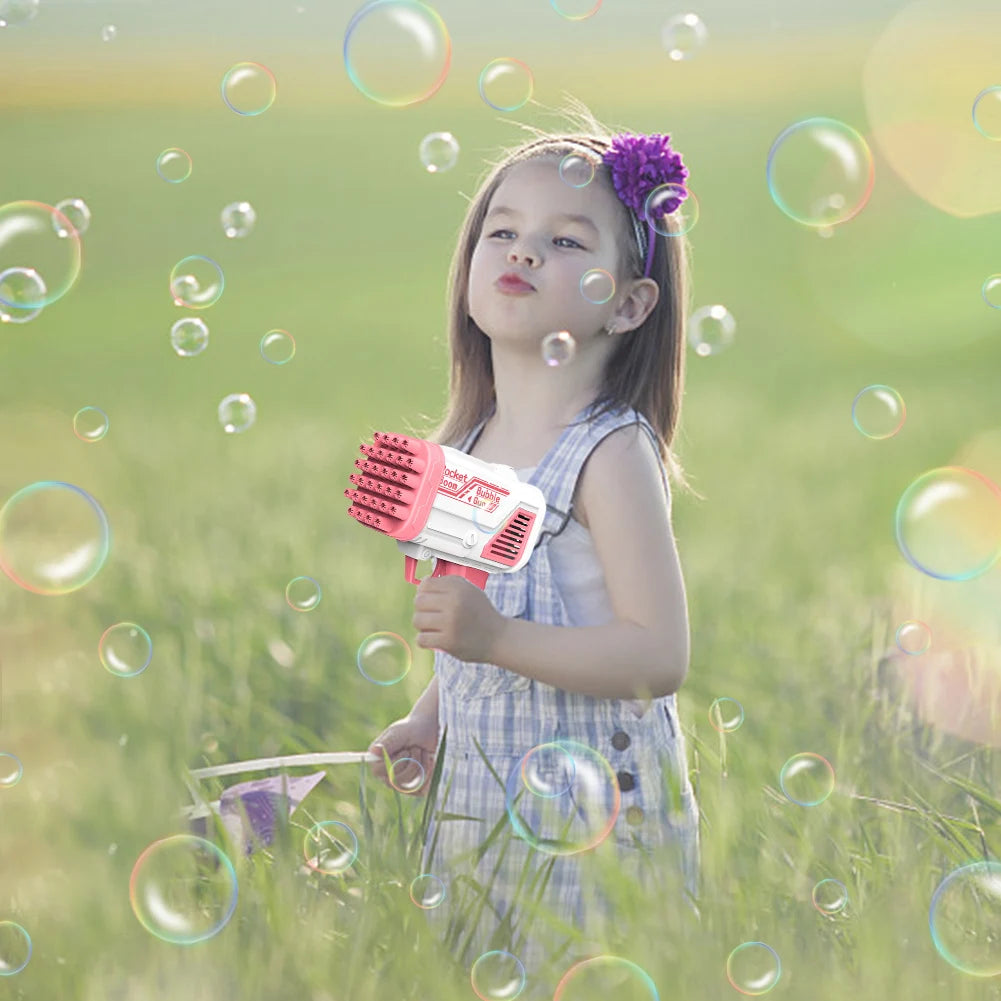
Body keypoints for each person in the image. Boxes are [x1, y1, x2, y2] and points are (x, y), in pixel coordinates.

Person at [367, 98, 701, 996]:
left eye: (565, 243)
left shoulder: (608, 453)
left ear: (629, 304)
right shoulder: (466, 452)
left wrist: (494, 640)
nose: (522, 252)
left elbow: (656, 653)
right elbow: (476, 635)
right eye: (502, 231)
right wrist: (428, 718)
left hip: (597, 832)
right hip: (481, 816)